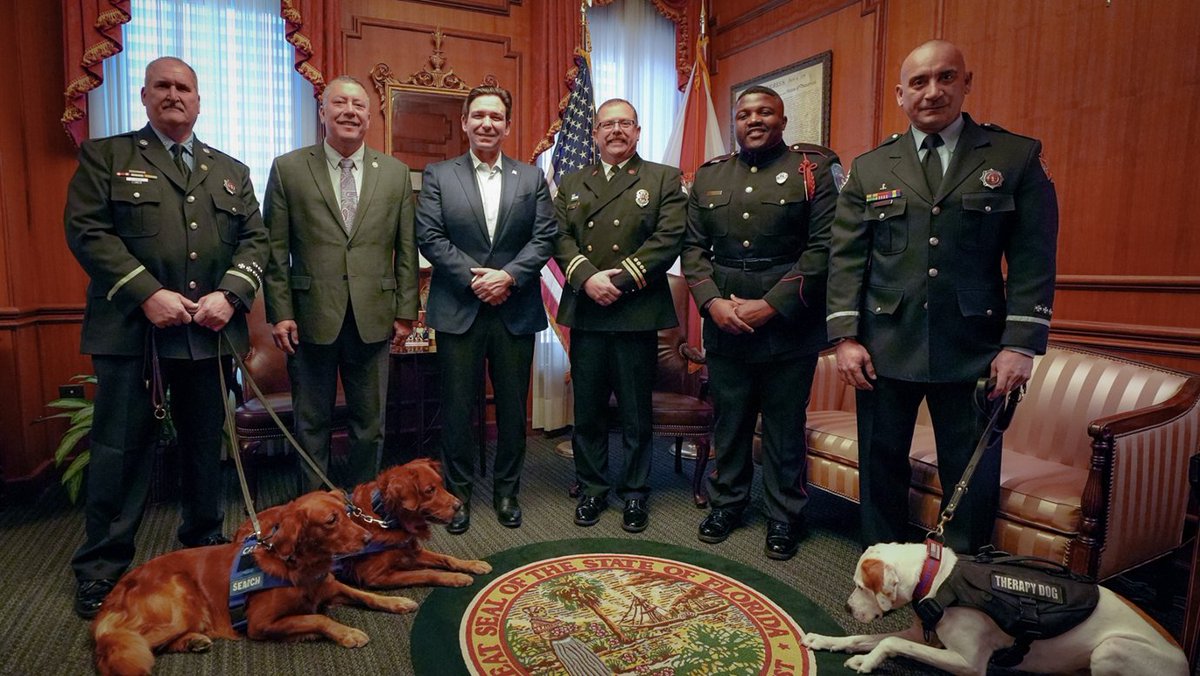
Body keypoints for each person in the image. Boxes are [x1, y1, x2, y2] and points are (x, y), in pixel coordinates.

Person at [826, 40, 1058, 553]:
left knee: (970, 470)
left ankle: (962, 577)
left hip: (974, 346)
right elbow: (846, 259)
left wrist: (1020, 345)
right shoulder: (871, 167)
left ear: (966, 82)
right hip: (885, 343)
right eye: (919, 82)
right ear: (900, 95)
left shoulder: (1014, 156)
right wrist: (845, 337)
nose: (932, 91)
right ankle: (882, 561)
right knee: (880, 459)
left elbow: (1032, 259)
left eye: (945, 77)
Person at [63, 56, 268, 618]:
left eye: (184, 88)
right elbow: (86, 232)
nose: (174, 95)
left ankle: (204, 549)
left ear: (199, 102)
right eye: (163, 86)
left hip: (206, 336)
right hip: (133, 335)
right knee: (120, 451)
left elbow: (256, 239)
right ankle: (102, 569)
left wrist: (230, 294)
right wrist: (145, 292)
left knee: (206, 448)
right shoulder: (108, 157)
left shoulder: (229, 170)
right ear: (146, 96)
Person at [681, 86, 841, 560]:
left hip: (790, 325)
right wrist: (711, 304)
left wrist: (771, 305)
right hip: (724, 323)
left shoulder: (811, 171)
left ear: (782, 120)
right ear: (736, 121)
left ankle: (784, 516)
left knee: (784, 426)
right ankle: (727, 504)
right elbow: (693, 251)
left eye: (765, 112)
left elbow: (823, 248)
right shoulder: (712, 175)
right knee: (729, 421)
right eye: (745, 113)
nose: (754, 120)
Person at [263, 75, 419, 495]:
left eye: (358, 105)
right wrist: (281, 313)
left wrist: (406, 312)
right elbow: (274, 250)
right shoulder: (289, 168)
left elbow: (407, 248)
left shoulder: (395, 173)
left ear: (369, 116)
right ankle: (316, 505)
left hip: (374, 317)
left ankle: (364, 502)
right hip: (310, 317)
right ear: (322, 113)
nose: (349, 111)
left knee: (370, 423)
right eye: (339, 103)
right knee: (311, 421)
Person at [415, 85, 556, 534]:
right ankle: (458, 495)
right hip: (460, 307)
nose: (487, 124)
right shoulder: (439, 174)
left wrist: (509, 277)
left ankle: (507, 492)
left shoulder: (530, 178)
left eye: (496, 117)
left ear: (507, 125)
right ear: (464, 122)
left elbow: (545, 236)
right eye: (478, 116)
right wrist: (478, 279)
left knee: (513, 410)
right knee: (456, 409)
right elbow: (430, 236)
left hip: (516, 309)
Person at [553, 99, 687, 532]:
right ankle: (591, 489)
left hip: (635, 312)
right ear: (594, 133)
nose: (616, 131)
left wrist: (620, 280)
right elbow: (558, 236)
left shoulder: (662, 179)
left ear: (638, 130)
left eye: (624, 123)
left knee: (635, 412)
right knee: (589, 410)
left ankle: (634, 493)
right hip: (588, 311)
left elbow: (669, 238)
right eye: (607, 124)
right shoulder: (572, 182)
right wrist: (587, 277)